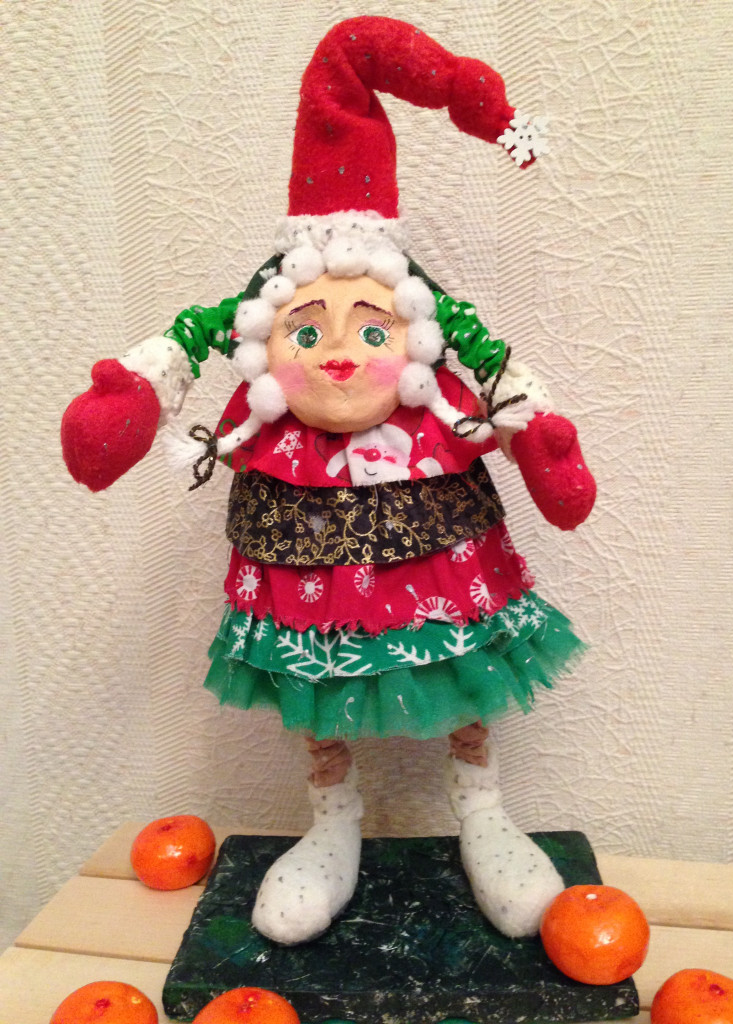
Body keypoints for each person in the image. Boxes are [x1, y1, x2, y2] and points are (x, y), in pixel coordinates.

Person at [61, 16, 596, 946]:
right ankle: (331, 817)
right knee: (303, 655)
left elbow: (498, 370)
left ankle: (482, 810)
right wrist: (131, 400)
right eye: (307, 331)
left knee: (462, 647)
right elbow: (184, 344)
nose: (339, 351)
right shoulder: (259, 321)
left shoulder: (440, 335)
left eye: (370, 329)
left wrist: (539, 439)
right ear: (275, 327)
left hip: (428, 499)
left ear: (408, 323)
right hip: (294, 504)